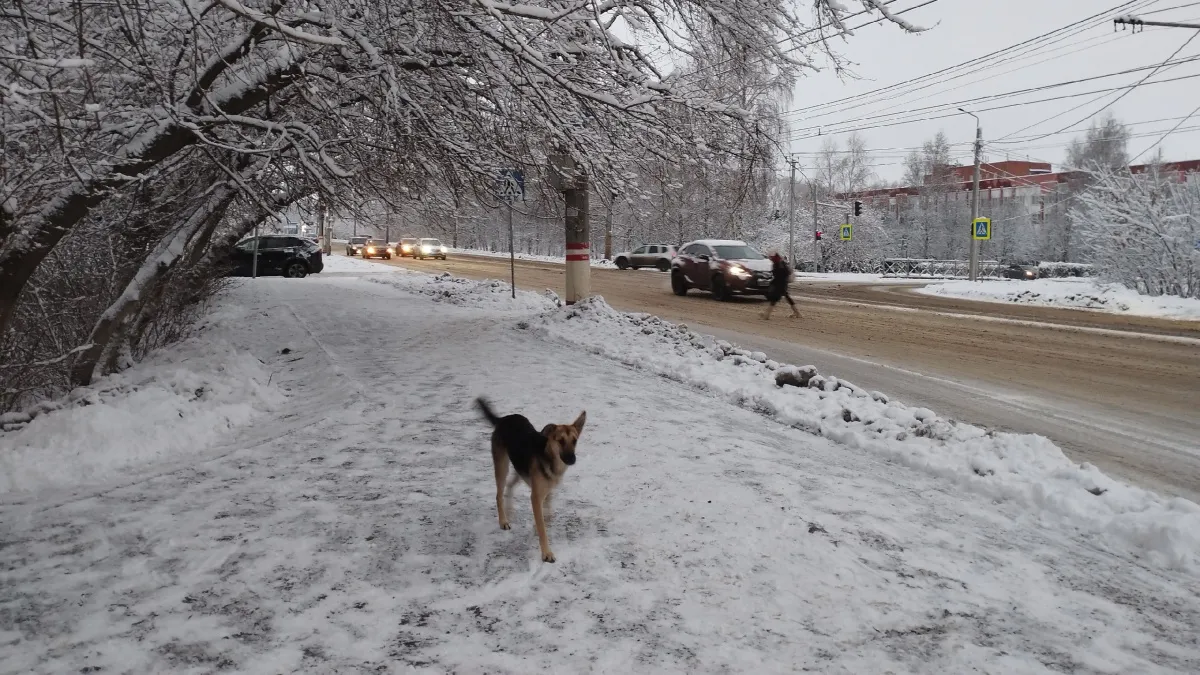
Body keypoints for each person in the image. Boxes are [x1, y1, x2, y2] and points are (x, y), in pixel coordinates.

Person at [762, 251, 799, 320]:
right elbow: (787, 272)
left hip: (778, 284)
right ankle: (797, 312)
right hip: (783, 283)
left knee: (774, 299)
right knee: (786, 297)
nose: (770, 259)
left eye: (771, 258)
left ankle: (767, 314)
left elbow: (776, 275)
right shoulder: (782, 263)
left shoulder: (776, 264)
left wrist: (772, 282)